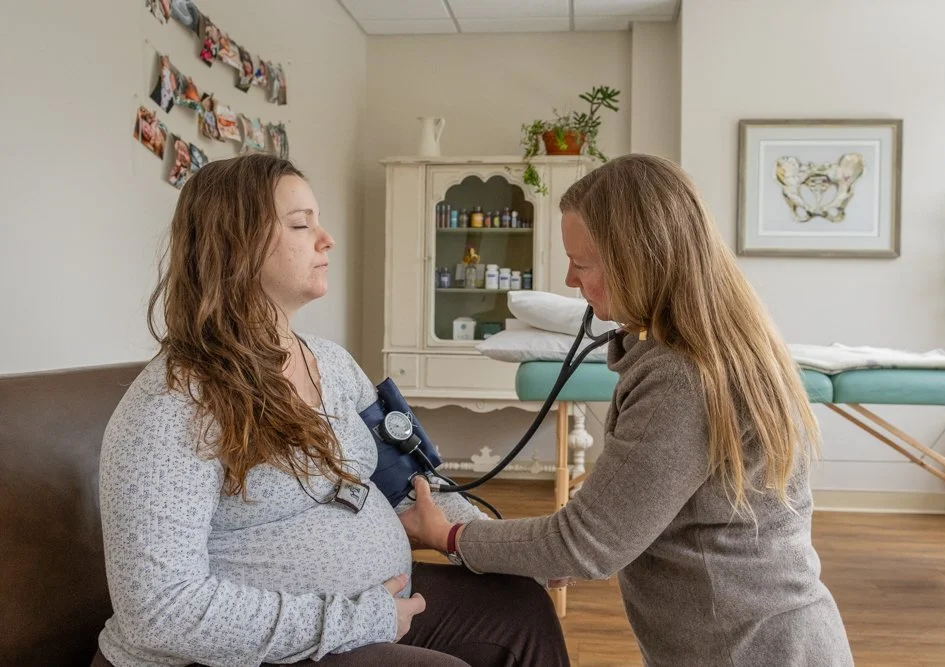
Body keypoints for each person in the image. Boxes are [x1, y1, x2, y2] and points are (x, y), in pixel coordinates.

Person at [92, 153, 570, 667]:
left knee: (521, 609)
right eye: (301, 224)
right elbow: (159, 611)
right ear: (235, 246)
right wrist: (357, 620)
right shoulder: (174, 403)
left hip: (371, 607)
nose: (327, 239)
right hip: (225, 655)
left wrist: (500, 547)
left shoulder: (333, 364)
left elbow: (412, 486)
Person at [401, 153, 855, 667]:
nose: (571, 280)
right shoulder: (706, 349)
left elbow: (586, 544)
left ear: (639, 261)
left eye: (583, 263)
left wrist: (447, 535)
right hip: (761, 637)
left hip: (747, 650)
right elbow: (625, 522)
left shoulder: (681, 379)